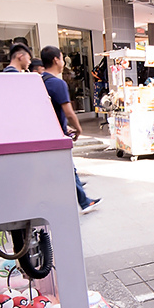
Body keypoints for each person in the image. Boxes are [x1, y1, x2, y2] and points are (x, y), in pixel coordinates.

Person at [40, 45, 102, 214]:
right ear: (56, 60)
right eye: (61, 58)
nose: (63, 62)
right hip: (56, 137)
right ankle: (83, 202)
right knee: (67, 168)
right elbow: (69, 112)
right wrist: (78, 128)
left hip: (45, 134)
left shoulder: (39, 81)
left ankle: (80, 200)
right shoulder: (57, 83)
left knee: (66, 169)